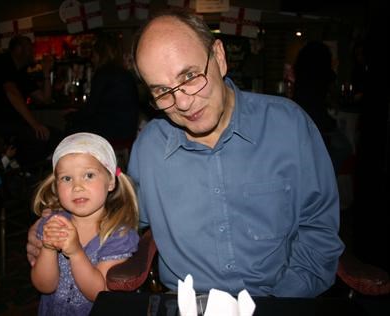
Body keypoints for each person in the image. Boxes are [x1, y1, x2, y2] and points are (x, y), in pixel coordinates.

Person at [28, 10, 344, 298]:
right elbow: (118, 218)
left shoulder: (288, 126)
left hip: (279, 300)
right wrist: (51, 226)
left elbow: (318, 232)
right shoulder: (150, 147)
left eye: (189, 76)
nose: (182, 102)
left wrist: (281, 302)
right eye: (162, 91)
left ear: (219, 57)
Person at [30, 132, 139, 315]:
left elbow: (99, 293)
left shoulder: (118, 235)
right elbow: (44, 286)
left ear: (111, 181)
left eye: (88, 175)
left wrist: (75, 252)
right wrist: (48, 248)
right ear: (56, 187)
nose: (77, 186)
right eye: (66, 178)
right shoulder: (53, 224)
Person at [0, 35, 58, 166]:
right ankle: (27, 173)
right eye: (30, 48)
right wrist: (35, 124)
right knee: (42, 138)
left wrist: (47, 72)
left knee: (52, 136)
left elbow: (45, 99)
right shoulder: (3, 61)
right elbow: (12, 92)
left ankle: (27, 172)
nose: (33, 52)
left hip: (11, 125)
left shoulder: (21, 73)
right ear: (19, 49)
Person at [65, 32, 139, 146]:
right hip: (129, 130)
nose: (92, 59)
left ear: (99, 54)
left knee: (72, 128)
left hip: (112, 133)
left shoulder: (103, 73)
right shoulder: (125, 73)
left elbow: (91, 109)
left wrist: (72, 115)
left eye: (93, 55)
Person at [292, 41, 352, 174]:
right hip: (318, 122)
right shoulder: (323, 74)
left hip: (303, 120)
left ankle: (322, 175)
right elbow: (328, 92)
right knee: (344, 148)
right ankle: (326, 176)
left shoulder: (302, 73)